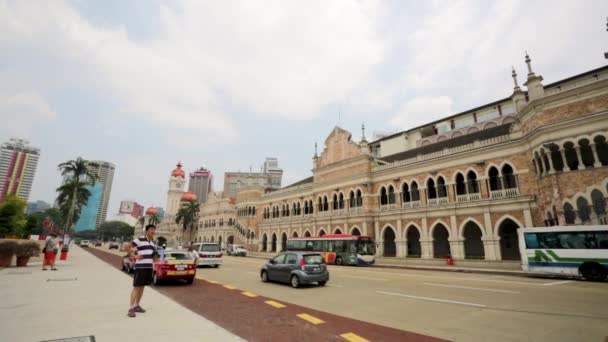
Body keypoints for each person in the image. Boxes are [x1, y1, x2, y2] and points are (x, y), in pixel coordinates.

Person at [124, 224, 159, 318]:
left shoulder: (153, 243)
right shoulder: (140, 239)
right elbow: (127, 247)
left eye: (154, 230)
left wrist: (157, 261)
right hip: (140, 267)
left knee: (142, 287)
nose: (153, 231)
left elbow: (154, 257)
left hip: (148, 268)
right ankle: (131, 308)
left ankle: (137, 305)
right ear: (147, 231)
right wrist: (134, 256)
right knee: (136, 287)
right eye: (151, 229)